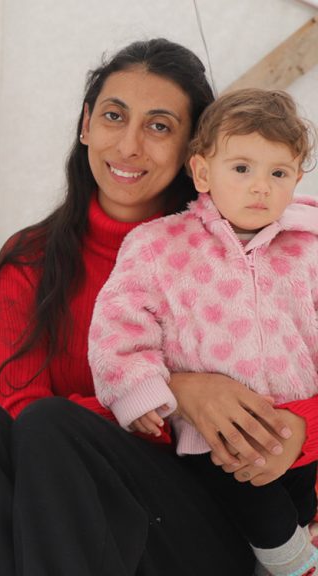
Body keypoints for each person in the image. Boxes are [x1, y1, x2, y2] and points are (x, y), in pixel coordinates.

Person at [0, 37, 313, 576]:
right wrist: (178, 392)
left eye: (159, 126)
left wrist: (299, 430)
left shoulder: (253, 254)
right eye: (114, 116)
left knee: (54, 426)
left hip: (201, 515)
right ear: (85, 126)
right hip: (63, 499)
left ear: (195, 152)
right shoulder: (31, 260)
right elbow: (18, 410)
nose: (128, 145)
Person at [90, 88, 318, 576]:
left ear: (296, 179)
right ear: (202, 172)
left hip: (298, 436)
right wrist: (140, 392)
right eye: (241, 169)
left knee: (292, 517)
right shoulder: (160, 247)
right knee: (266, 523)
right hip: (213, 439)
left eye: (277, 173)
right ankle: (300, 567)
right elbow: (117, 328)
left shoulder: (309, 249)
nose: (260, 187)